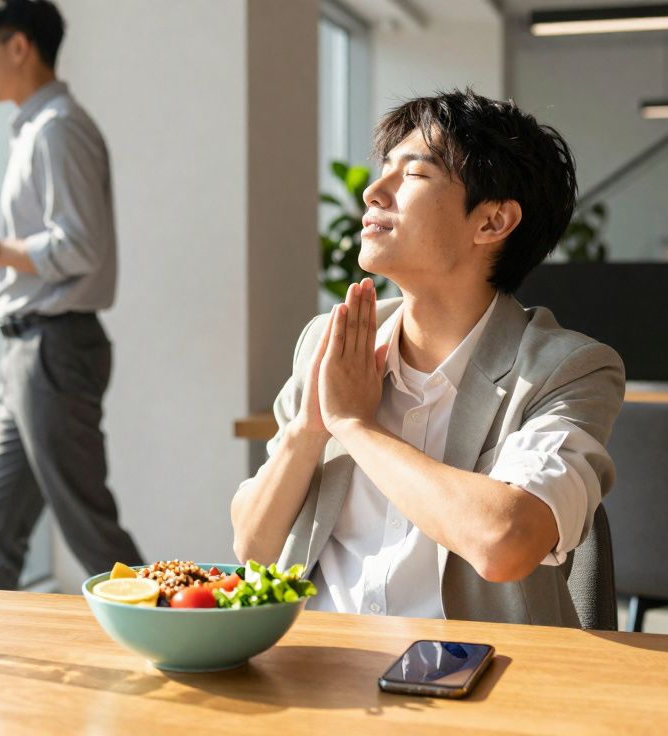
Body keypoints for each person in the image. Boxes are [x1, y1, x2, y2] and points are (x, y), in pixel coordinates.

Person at [230, 89, 625, 627]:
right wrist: (309, 431)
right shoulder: (334, 342)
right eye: (382, 169)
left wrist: (356, 426)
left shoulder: (569, 370)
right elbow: (252, 547)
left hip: (481, 681)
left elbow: (504, 543)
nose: (373, 191)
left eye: (413, 175)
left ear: (492, 222)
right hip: (317, 668)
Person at [0, 0, 142, 589]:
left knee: (90, 531)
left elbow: (79, 248)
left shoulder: (58, 130)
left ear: (19, 46)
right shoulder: (36, 129)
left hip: (54, 348)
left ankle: (183, 630)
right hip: (31, 351)